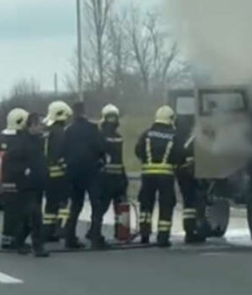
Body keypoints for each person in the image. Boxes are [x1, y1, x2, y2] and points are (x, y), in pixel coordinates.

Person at [61, 101, 107, 250]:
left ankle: (69, 238)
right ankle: (95, 238)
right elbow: (101, 147)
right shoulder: (93, 129)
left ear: (73, 113)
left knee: (75, 206)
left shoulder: (68, 131)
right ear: (84, 111)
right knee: (96, 205)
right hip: (91, 172)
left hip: (73, 173)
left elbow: (61, 151)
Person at [135, 105, 184, 247]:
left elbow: (138, 151)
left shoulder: (146, 134)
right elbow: (180, 155)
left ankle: (144, 234)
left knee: (146, 204)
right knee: (166, 205)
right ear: (170, 119)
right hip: (166, 176)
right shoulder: (175, 136)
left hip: (147, 175)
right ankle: (163, 237)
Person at [8, 112, 50, 257]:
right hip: (26, 185)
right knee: (36, 214)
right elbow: (11, 162)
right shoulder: (21, 143)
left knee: (28, 217)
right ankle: (38, 246)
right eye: (40, 124)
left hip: (38, 184)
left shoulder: (39, 141)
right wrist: (23, 171)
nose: (42, 127)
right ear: (32, 125)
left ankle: (18, 241)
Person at [94, 104, 128, 240]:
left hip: (116, 177)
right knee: (102, 207)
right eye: (111, 117)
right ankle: (95, 232)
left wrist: (124, 176)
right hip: (106, 178)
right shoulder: (100, 136)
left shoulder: (117, 136)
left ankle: (121, 232)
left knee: (119, 207)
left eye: (114, 117)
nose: (113, 120)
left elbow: (119, 159)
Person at [41, 101, 72, 242]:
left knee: (50, 205)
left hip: (47, 175)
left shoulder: (47, 132)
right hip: (59, 175)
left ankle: (47, 232)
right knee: (64, 203)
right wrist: (68, 169)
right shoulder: (60, 133)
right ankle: (61, 229)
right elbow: (61, 154)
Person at [0, 107, 29, 250]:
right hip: (18, 179)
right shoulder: (20, 140)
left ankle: (7, 238)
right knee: (19, 210)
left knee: (10, 211)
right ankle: (16, 239)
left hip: (6, 179)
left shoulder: (4, 137)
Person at [175, 122, 206, 244]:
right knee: (191, 203)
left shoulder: (178, 136)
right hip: (189, 173)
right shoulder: (192, 138)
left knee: (189, 204)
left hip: (182, 172)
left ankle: (191, 231)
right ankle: (191, 232)